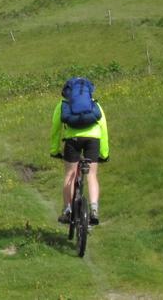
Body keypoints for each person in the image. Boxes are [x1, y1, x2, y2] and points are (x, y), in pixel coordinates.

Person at [50, 77, 109, 225]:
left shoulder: (63, 104)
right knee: (92, 175)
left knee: (70, 174)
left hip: (73, 139)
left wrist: (55, 150)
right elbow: (104, 129)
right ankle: (94, 209)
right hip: (93, 139)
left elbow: (56, 129)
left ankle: (67, 209)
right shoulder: (94, 103)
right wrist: (104, 153)